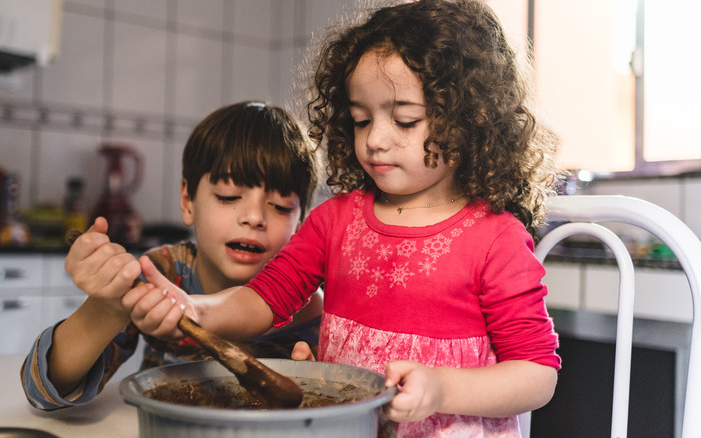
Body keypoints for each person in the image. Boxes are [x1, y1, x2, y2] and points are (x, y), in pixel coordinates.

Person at [125, 0, 561, 436]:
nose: (374, 139)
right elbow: (262, 299)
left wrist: (442, 389)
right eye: (360, 119)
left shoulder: (496, 238)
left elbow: (536, 376)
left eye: (405, 120)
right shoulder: (334, 221)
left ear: (470, 120)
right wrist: (195, 309)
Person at [21, 101, 323, 410]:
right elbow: (42, 391)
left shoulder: (310, 306)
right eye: (228, 196)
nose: (254, 217)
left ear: (301, 225)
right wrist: (107, 309)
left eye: (281, 206)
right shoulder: (161, 274)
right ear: (188, 201)